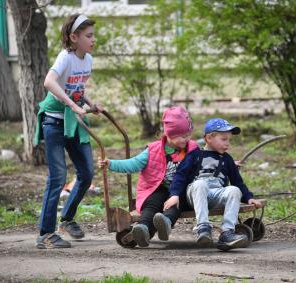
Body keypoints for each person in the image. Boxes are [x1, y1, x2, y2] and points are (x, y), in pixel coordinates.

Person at [33, 14, 103, 249]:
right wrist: (73, 105)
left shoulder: (88, 60)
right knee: (58, 178)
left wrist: (90, 105)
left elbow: (76, 89)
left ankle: (67, 219)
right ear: (74, 37)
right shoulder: (66, 57)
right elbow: (49, 82)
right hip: (54, 122)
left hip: (73, 121)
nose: (93, 39)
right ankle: (45, 234)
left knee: (86, 172)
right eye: (88, 35)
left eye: (93, 35)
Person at [99, 106, 198, 247]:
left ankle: (165, 224)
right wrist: (111, 164)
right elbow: (133, 164)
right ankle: (143, 228)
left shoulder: (192, 148)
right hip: (156, 188)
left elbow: (205, 162)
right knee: (152, 203)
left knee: (176, 203)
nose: (187, 139)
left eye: (189, 135)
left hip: (181, 190)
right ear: (170, 134)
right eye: (182, 136)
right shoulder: (153, 150)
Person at [166, 118, 263, 251]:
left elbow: (238, 181)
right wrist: (174, 195)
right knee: (200, 184)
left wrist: (248, 197)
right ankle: (203, 228)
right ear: (209, 138)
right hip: (196, 195)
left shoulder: (227, 159)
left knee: (234, 190)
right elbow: (180, 176)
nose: (228, 143)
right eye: (224, 139)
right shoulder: (194, 155)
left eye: (229, 140)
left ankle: (227, 233)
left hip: (216, 194)